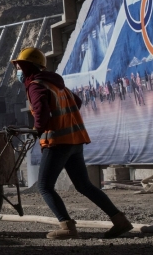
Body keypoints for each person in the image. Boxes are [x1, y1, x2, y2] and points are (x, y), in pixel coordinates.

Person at [13, 47, 132, 240]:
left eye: (19, 66)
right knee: (85, 185)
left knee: (44, 186)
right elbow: (76, 101)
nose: (17, 70)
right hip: (74, 141)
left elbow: (41, 112)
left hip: (57, 142)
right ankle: (120, 221)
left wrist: (38, 129)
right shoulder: (57, 84)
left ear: (27, 67)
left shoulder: (35, 85)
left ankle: (67, 226)